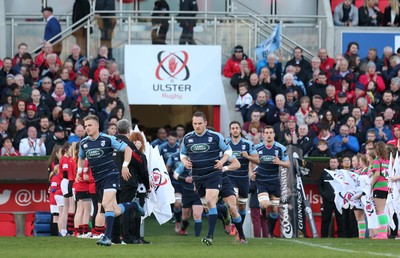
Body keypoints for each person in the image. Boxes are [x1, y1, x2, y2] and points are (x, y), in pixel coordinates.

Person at [76, 115, 144, 246]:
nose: (87, 128)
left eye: (89, 125)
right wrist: (79, 171)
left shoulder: (108, 139)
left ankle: (107, 238)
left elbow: (128, 149)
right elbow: (81, 157)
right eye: (85, 126)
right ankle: (133, 205)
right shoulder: (84, 143)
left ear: (97, 126)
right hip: (98, 179)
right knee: (115, 210)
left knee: (106, 204)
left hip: (111, 175)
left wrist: (124, 165)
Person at [180, 111, 233, 246]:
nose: (197, 126)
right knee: (207, 206)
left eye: (199, 123)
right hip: (198, 176)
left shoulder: (215, 136)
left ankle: (210, 236)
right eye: (194, 124)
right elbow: (183, 154)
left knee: (209, 201)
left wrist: (222, 161)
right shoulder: (187, 138)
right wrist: (185, 161)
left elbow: (228, 151)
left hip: (213, 174)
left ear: (205, 123)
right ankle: (224, 210)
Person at [114, 119, 150, 244]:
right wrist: (147, 184)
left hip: (112, 182)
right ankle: (127, 237)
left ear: (117, 129)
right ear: (128, 130)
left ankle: (114, 237)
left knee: (113, 209)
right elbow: (139, 164)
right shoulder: (129, 145)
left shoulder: (110, 143)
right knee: (126, 209)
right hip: (127, 182)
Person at [250, 126, 290, 238]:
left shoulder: (280, 148)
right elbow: (251, 161)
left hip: (274, 181)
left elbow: (288, 164)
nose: (268, 135)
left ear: (274, 134)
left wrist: (279, 162)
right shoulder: (257, 147)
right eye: (266, 132)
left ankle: (270, 232)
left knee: (274, 210)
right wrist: (251, 172)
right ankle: (263, 211)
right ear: (263, 134)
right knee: (265, 204)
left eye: (270, 132)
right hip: (261, 181)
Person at [226, 122, 259, 229]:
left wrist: (247, 156)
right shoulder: (225, 143)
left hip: (243, 178)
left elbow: (257, 160)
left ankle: (238, 227)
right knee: (233, 198)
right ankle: (232, 222)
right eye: (232, 128)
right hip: (230, 176)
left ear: (240, 130)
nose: (235, 130)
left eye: (236, 128)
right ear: (230, 130)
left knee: (242, 206)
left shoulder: (248, 144)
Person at [318, 157, 344, 237]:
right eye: (331, 162)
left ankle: (341, 237)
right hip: (327, 200)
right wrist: (324, 194)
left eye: (334, 162)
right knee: (326, 219)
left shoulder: (342, 173)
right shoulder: (324, 173)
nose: (333, 163)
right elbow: (319, 186)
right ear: (329, 163)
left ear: (338, 163)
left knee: (340, 219)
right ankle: (323, 237)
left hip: (339, 200)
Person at [370, 142, 390, 239]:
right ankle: (382, 232)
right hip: (385, 186)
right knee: (382, 210)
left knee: (380, 210)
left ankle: (383, 233)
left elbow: (377, 174)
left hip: (379, 186)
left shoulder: (377, 160)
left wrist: (371, 184)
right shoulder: (386, 161)